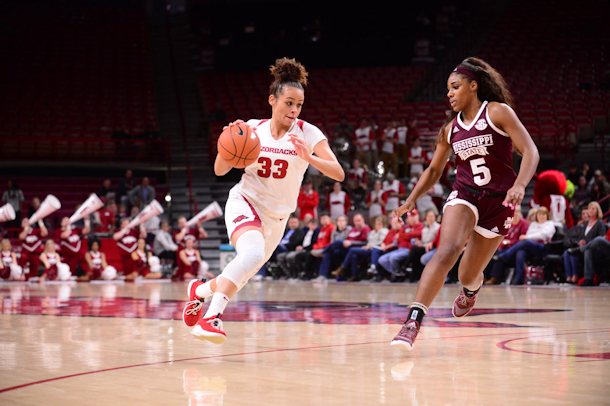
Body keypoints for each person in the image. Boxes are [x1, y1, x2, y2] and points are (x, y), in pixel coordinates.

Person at [183, 57, 344, 344]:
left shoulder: (308, 133)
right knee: (252, 256)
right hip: (246, 201)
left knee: (240, 275)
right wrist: (228, 142)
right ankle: (211, 318)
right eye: (289, 103)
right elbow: (220, 170)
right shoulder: (252, 129)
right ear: (272, 100)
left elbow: (339, 172)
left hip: (277, 218)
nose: (294, 110)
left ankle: (199, 292)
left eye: (299, 105)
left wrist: (309, 157)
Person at [390, 57, 539, 350]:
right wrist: (410, 200)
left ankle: (471, 290)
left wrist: (520, 185)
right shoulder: (450, 129)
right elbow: (434, 171)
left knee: (467, 274)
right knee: (447, 250)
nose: (449, 93)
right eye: (447, 89)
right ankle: (412, 321)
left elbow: (530, 151)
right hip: (466, 194)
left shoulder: (497, 112)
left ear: (474, 86)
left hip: (500, 201)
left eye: (455, 87)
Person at [491, 207, 555, 284]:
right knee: (520, 253)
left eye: (543, 214)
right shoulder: (534, 224)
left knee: (525, 241)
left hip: (543, 247)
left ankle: (505, 256)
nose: (541, 216)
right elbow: (529, 234)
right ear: (537, 216)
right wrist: (530, 237)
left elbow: (544, 234)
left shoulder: (550, 224)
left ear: (547, 215)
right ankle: (519, 280)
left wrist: (530, 237)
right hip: (531, 247)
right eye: (539, 214)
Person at [332, 216, 388, 282]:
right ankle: (355, 276)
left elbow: (381, 241)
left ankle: (343, 267)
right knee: (353, 256)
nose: (377, 226)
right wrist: (368, 245)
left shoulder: (383, 231)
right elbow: (370, 241)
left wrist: (369, 245)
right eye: (376, 224)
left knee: (351, 249)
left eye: (379, 224)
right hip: (367, 247)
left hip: (375, 249)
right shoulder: (373, 232)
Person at [484, 206, 529, 285]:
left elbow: (523, 240)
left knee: (499, 255)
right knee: (491, 253)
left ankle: (495, 278)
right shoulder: (508, 223)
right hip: (505, 248)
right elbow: (502, 236)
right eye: (513, 211)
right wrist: (504, 242)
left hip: (515, 249)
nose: (515, 213)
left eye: (517, 211)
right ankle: (485, 277)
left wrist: (510, 242)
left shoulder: (524, 223)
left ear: (520, 213)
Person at [564, 202, 607, 283]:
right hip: (585, 247)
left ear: (598, 211)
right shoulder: (587, 223)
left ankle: (585, 278)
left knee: (586, 251)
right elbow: (581, 237)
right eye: (589, 208)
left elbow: (601, 238)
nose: (590, 210)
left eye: (593, 208)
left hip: (596, 249)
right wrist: (581, 241)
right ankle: (569, 276)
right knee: (567, 252)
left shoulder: (600, 222)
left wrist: (586, 243)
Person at [378, 210, 423, 278]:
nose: (412, 217)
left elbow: (415, 234)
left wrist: (405, 236)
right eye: (410, 216)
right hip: (399, 249)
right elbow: (399, 237)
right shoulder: (407, 227)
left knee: (393, 257)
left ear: (418, 216)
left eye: (414, 215)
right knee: (382, 260)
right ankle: (397, 272)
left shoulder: (420, 226)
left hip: (409, 249)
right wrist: (408, 236)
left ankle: (396, 275)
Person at [398, 209, 441, 281]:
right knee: (415, 252)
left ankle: (405, 267)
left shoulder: (437, 227)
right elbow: (400, 236)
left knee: (415, 249)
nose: (430, 218)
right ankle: (414, 276)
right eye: (429, 216)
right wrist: (420, 242)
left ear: (435, 217)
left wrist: (425, 243)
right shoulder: (425, 228)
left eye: (432, 216)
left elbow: (436, 239)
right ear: (426, 218)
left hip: (432, 247)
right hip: (424, 246)